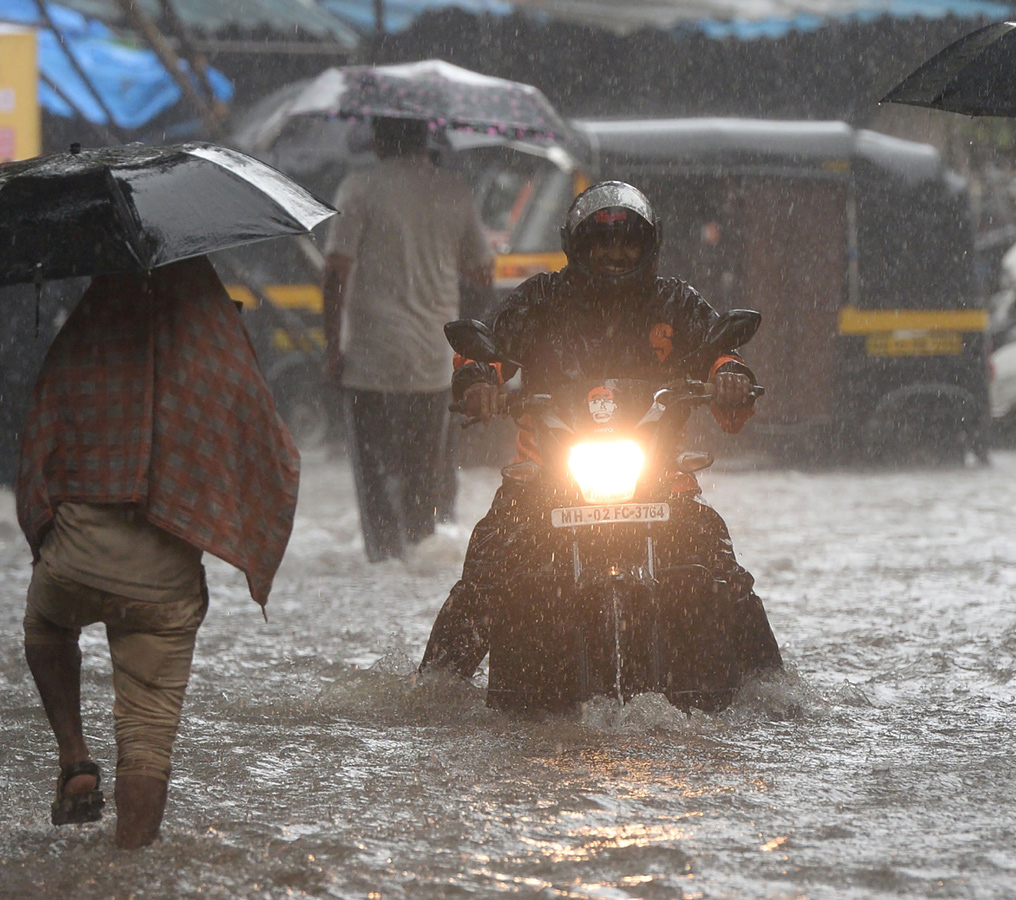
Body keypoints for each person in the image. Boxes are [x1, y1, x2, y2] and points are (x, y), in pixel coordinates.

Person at [419, 181, 782, 681]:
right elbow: (485, 351)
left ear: (649, 246)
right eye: (602, 242)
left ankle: (774, 692)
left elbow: (721, 350)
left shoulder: (675, 301)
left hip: (659, 478)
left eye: (628, 241)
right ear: (578, 247)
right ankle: (432, 688)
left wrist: (730, 378)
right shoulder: (542, 299)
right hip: (547, 475)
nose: (615, 254)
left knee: (718, 563)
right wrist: (479, 382)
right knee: (489, 562)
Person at [18, 256, 300, 848]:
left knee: (45, 622)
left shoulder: (84, 342)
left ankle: (74, 757)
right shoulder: (212, 353)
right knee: (147, 737)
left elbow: (35, 450)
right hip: (163, 583)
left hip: (75, 558)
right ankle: (130, 869)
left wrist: (48, 537)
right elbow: (272, 456)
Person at [322, 116, 493, 561]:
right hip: (434, 358)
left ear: (378, 140)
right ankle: (419, 555)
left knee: (375, 478)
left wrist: (330, 348)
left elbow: (335, 271)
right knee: (424, 478)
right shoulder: (455, 190)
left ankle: (383, 562)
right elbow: (481, 274)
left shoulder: (358, 187)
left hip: (369, 356)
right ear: (425, 139)